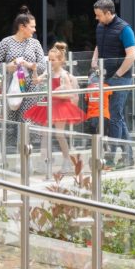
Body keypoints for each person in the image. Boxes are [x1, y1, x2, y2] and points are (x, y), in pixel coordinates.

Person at [25, 42, 85, 173]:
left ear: (60, 60)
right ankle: (44, 161)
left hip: (60, 106)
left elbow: (69, 94)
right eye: (49, 59)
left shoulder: (63, 75)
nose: (50, 62)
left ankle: (67, 160)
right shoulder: (49, 72)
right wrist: (34, 70)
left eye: (53, 60)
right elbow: (36, 81)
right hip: (49, 105)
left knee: (59, 134)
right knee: (44, 133)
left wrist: (57, 93)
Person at [91, 0, 135, 167]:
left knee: (115, 116)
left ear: (109, 13)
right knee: (116, 117)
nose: (97, 18)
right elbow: (99, 45)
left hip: (120, 77)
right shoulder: (100, 27)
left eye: (99, 15)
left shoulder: (125, 29)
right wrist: (94, 61)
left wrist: (117, 75)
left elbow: (131, 55)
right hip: (105, 75)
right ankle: (128, 157)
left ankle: (111, 156)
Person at [0, 6, 47, 145]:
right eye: (32, 27)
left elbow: (42, 66)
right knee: (11, 119)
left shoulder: (35, 43)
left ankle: (24, 151)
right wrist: (10, 66)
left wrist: (29, 65)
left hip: (30, 86)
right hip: (12, 85)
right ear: (22, 27)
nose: (35, 30)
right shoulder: (6, 42)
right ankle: (10, 152)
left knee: (26, 118)